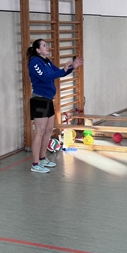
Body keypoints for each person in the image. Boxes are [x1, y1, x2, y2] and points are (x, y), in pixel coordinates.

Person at [26, 39, 83, 173]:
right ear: (38, 50)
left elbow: (58, 73)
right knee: (39, 131)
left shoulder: (47, 61)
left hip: (48, 100)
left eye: (47, 45)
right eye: (44, 45)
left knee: (48, 130)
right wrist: (63, 69)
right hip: (39, 100)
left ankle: (42, 158)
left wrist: (72, 67)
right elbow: (46, 77)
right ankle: (35, 163)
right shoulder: (35, 62)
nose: (47, 47)